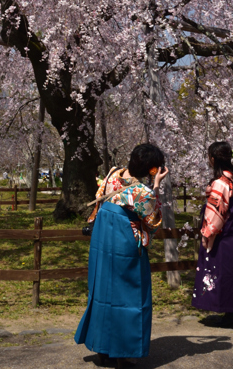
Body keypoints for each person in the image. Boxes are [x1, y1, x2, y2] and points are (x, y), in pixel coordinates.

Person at [75, 143, 166, 368]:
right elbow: (152, 220)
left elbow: (99, 197)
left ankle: (103, 349)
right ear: (151, 169)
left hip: (103, 236)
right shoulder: (143, 192)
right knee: (129, 293)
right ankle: (121, 352)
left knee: (103, 290)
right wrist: (155, 186)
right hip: (124, 239)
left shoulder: (112, 174)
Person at [191, 141, 233, 329]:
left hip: (224, 233)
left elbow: (215, 214)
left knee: (220, 268)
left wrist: (207, 233)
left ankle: (228, 311)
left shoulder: (220, 182)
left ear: (213, 159)